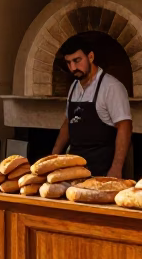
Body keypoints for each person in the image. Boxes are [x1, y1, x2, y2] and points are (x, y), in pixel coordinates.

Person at [52, 34, 133, 178]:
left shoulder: (111, 87)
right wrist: (53, 157)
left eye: (77, 60)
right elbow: (68, 123)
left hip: (102, 169)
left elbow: (124, 126)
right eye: (68, 62)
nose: (73, 67)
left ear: (90, 57)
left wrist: (116, 168)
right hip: (75, 169)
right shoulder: (74, 87)